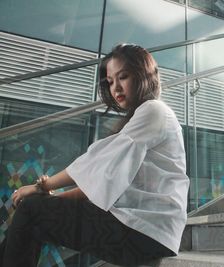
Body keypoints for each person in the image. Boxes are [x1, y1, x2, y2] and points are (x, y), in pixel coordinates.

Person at [0, 44, 190, 267]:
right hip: (139, 229)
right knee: (33, 213)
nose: (116, 88)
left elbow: (97, 162)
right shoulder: (144, 116)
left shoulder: (154, 111)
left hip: (145, 234)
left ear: (143, 75)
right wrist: (47, 198)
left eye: (124, 77)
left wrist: (42, 186)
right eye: (110, 82)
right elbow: (98, 182)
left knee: (32, 209)